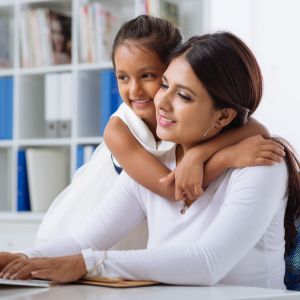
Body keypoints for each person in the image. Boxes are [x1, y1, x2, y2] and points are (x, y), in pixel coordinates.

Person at [1, 32, 299, 288]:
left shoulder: (260, 163)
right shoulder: (156, 161)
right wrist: (24, 258)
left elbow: (209, 262)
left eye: (183, 96)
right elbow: (84, 239)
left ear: (223, 116)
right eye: (165, 85)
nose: (162, 102)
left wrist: (89, 264)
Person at [36, 15, 282, 248]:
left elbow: (256, 128)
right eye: (122, 77)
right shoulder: (118, 130)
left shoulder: (184, 115)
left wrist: (198, 155)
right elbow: (172, 190)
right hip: (101, 220)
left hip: (151, 219)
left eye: (149, 76)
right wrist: (225, 157)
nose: (135, 90)